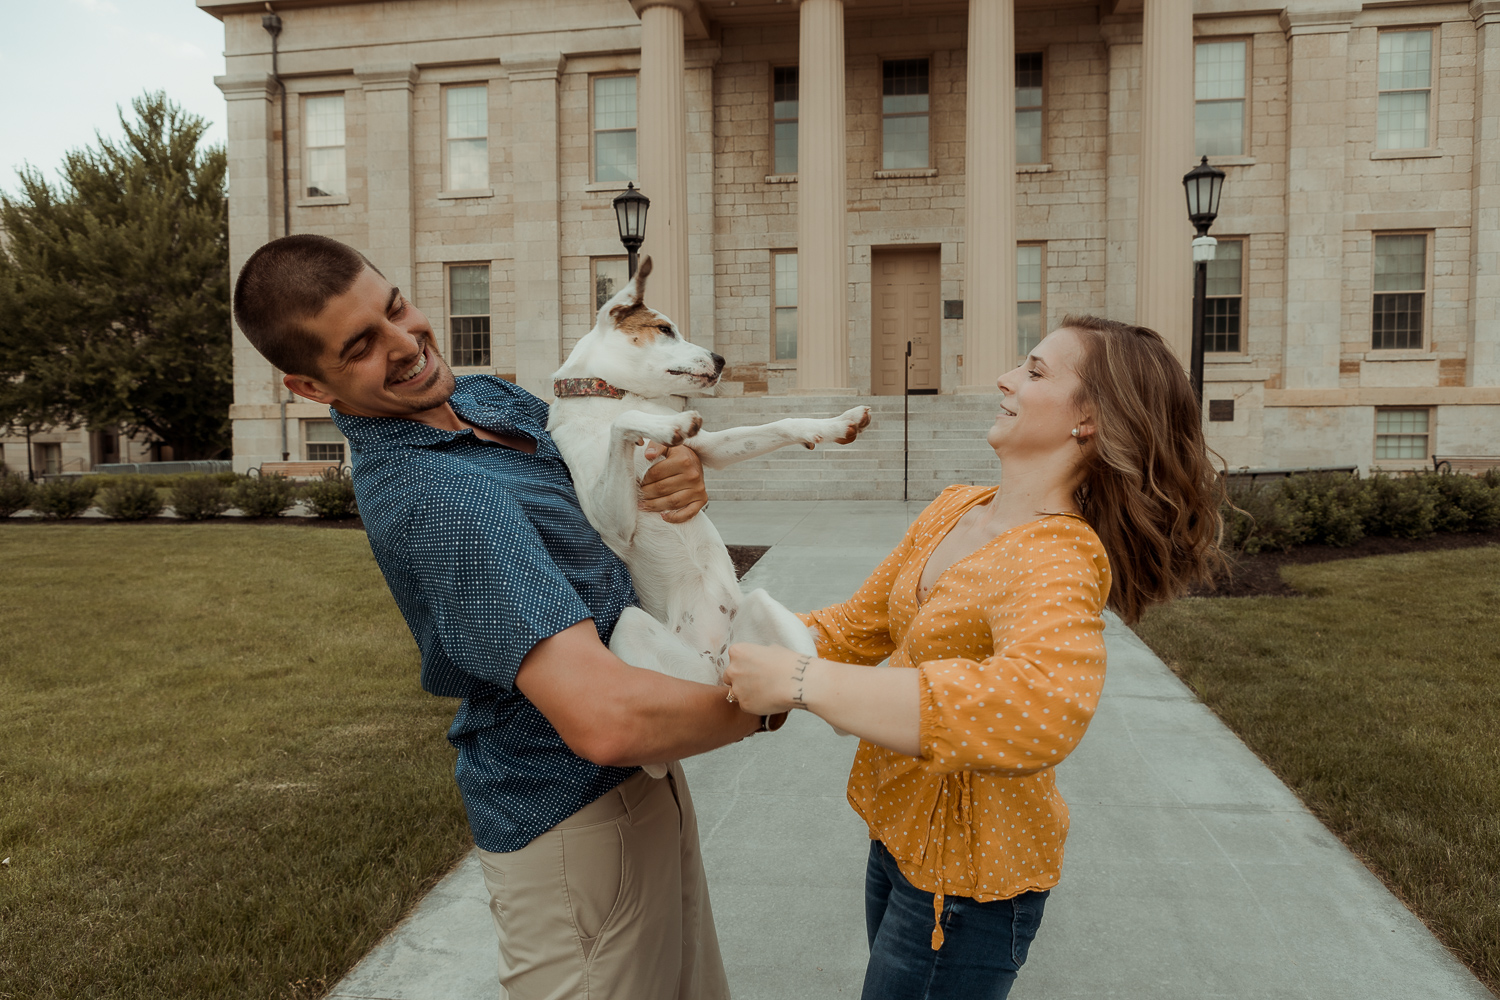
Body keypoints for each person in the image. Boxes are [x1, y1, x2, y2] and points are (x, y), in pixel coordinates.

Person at [232, 233, 776, 1000]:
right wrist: (782, 700)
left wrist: (673, 475)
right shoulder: (440, 497)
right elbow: (603, 721)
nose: (405, 343)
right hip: (573, 817)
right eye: (359, 346)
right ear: (313, 389)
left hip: (650, 774)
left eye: (395, 309)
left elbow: (613, 495)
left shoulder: (489, 399)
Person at [723, 316, 1226, 1000]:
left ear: (1091, 419)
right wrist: (725, 636)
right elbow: (856, 625)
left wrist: (805, 682)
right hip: (898, 842)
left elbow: (1037, 706)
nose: (1006, 378)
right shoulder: (956, 509)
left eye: (1037, 371)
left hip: (967, 885)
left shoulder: (1058, 555)